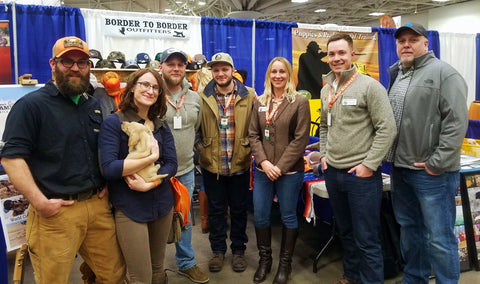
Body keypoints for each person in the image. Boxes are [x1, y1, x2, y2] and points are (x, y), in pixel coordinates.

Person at [0, 36, 125, 283]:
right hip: (56, 213)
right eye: (67, 61)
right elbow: (12, 158)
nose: (75, 68)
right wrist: (40, 202)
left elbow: (100, 151)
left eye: (82, 62)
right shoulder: (31, 106)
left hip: (98, 206)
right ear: (53, 64)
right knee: (53, 279)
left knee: (113, 275)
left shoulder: (94, 106)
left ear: (90, 67)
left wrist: (107, 183)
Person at [385, 23, 468, 284]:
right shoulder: (397, 73)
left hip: (431, 174)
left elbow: (456, 123)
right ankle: (414, 278)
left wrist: (437, 163)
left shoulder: (445, 74)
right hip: (401, 169)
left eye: (413, 39)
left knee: (440, 237)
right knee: (410, 231)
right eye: (401, 41)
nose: (406, 44)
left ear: (426, 43)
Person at [316, 33, 396, 284]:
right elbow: (325, 127)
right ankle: (351, 276)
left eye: (341, 53)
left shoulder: (370, 87)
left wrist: (369, 165)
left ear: (352, 55)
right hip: (333, 173)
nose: (336, 58)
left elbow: (388, 128)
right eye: (331, 54)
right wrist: (325, 155)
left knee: (367, 238)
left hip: (360, 177)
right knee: (346, 232)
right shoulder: (327, 89)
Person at [98, 68, 177, 284]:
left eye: (155, 88)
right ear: (132, 86)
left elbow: (172, 164)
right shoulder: (115, 123)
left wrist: (151, 183)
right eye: (144, 84)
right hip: (130, 207)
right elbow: (109, 168)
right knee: (140, 276)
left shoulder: (160, 124)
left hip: (162, 203)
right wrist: (151, 158)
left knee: (158, 269)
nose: (150, 91)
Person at [249, 57, 310, 284]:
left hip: (290, 172)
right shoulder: (260, 101)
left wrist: (280, 167)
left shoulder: (299, 102)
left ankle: (285, 265)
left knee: (287, 215)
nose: (277, 76)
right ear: (268, 75)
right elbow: (253, 135)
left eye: (282, 71)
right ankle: (265, 261)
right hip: (263, 170)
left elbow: (300, 139)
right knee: (261, 215)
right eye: (273, 71)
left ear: (289, 75)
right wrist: (264, 162)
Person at [197, 52, 256, 273]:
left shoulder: (249, 95)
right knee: (216, 211)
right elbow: (195, 127)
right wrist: (200, 148)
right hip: (213, 166)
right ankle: (218, 251)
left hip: (239, 164)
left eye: (224, 69)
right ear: (212, 72)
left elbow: (256, 126)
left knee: (240, 211)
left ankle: (239, 251)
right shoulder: (202, 96)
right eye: (216, 70)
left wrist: (249, 149)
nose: (220, 74)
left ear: (232, 71)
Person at [159, 48, 209, 283]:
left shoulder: (194, 97)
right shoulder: (153, 92)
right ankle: (154, 268)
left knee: (185, 220)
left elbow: (197, 129)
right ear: (162, 67)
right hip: (155, 173)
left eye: (180, 64)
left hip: (186, 170)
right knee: (154, 221)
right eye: (171, 64)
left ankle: (186, 263)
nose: (176, 68)